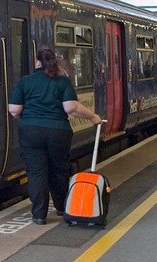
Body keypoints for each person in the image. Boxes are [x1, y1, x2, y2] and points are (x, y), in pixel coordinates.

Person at [8, 48, 102, 224]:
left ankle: (39, 215)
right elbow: (71, 108)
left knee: (36, 173)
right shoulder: (62, 81)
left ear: (37, 62)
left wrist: (28, 119)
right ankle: (61, 208)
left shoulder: (25, 81)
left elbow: (14, 109)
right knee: (59, 171)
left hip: (30, 132)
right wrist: (92, 117)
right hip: (58, 132)